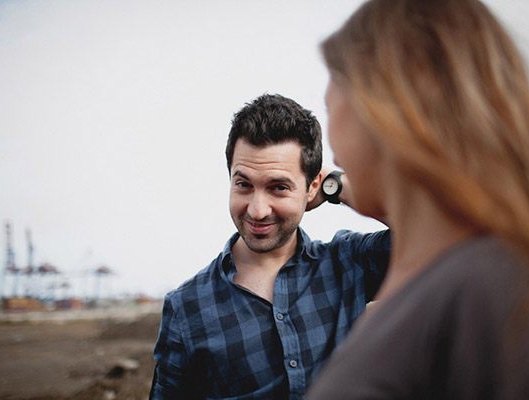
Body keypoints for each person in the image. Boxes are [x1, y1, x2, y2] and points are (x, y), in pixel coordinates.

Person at [306, 0, 529, 399]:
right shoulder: (465, 277)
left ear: (388, 102)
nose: (329, 125)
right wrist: (334, 188)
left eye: (332, 94)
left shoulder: (493, 289)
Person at [150, 94, 390, 399]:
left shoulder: (349, 262)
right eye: (244, 185)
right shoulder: (187, 307)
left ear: (312, 186)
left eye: (278, 187)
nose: (257, 209)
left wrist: (339, 186)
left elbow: (445, 236)